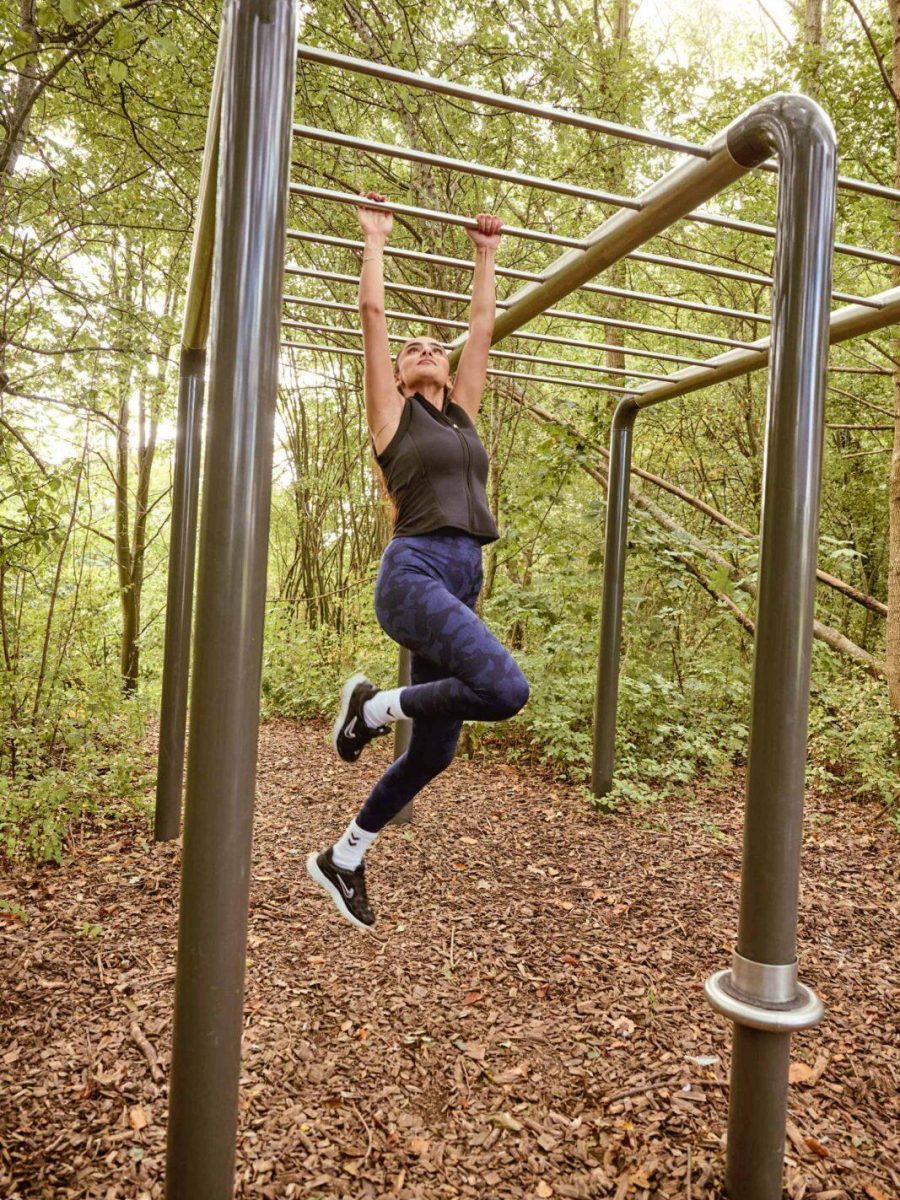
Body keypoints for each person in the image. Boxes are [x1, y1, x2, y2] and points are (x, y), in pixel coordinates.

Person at [306, 191, 530, 931]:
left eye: (436, 347)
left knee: (433, 753)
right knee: (503, 689)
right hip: (414, 575)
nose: (428, 350)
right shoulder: (392, 415)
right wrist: (374, 238)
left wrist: (486, 255)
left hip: (463, 580)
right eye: (416, 349)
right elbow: (373, 321)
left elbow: (481, 329)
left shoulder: (462, 414)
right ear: (400, 377)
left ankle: (344, 856)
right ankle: (369, 709)